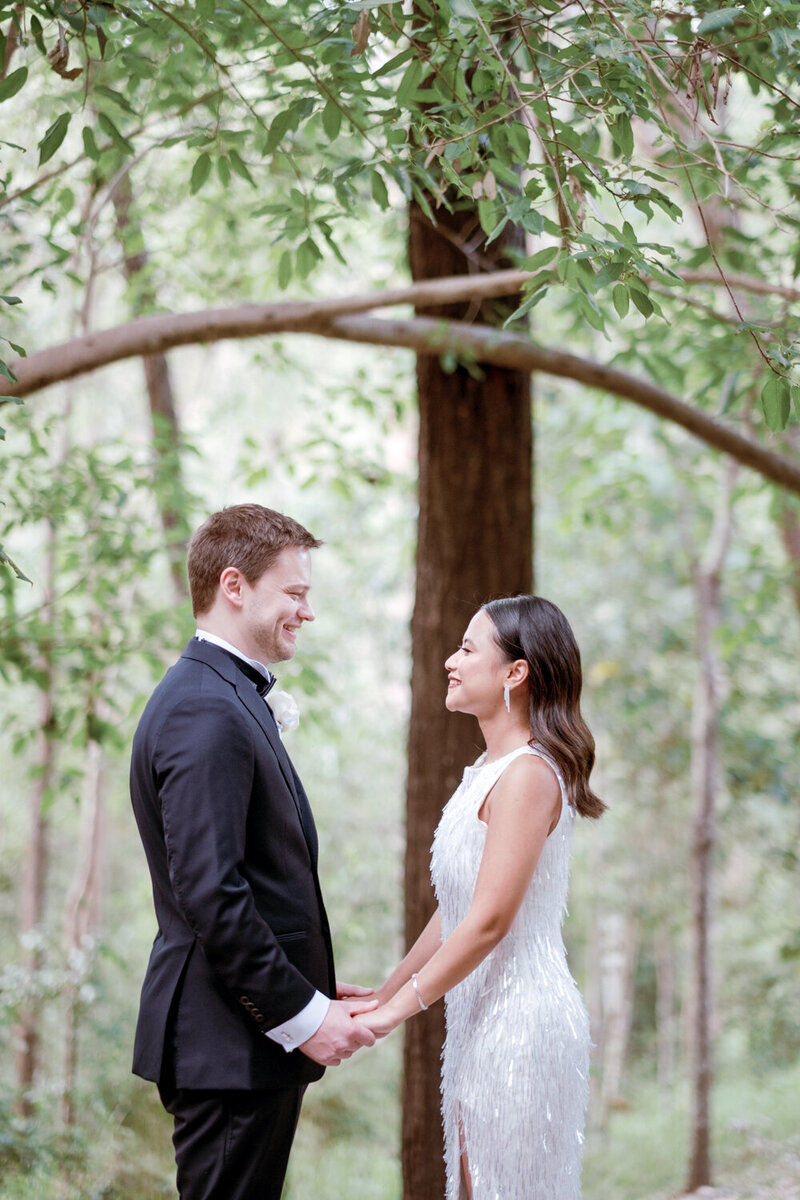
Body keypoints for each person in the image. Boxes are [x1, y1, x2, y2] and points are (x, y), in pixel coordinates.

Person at [129, 504, 376, 1200]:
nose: (309, 611)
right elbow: (212, 893)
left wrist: (315, 985)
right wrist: (302, 1017)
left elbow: (258, 883)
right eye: (295, 592)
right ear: (234, 586)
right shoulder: (203, 706)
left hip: (240, 1040)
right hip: (230, 1044)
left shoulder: (223, 693)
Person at [360, 595, 606, 1200]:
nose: (450, 660)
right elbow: (458, 906)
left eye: (468, 649)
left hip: (523, 1020)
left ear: (515, 673)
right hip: (477, 1017)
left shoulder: (528, 775)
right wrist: (383, 993)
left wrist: (401, 1011)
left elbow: (491, 920)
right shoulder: (485, 771)